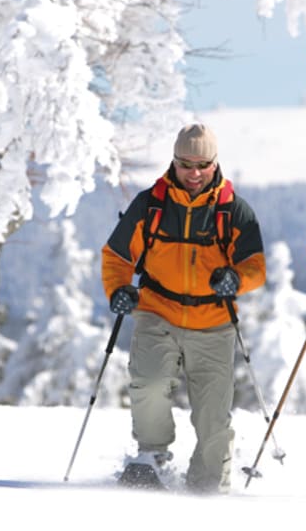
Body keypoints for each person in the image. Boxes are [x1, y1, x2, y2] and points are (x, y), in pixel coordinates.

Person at [101, 123, 266, 493]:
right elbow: (115, 255)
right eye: (185, 164)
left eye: (202, 165)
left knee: (212, 416)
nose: (194, 173)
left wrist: (236, 279)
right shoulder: (150, 205)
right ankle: (152, 456)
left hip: (213, 323)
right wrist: (119, 290)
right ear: (173, 162)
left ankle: (208, 487)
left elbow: (255, 265)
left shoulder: (234, 210)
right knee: (150, 380)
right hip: (158, 310)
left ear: (214, 163)